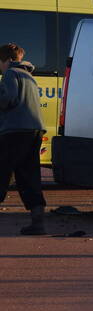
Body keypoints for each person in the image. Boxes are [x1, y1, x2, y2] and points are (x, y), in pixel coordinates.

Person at [0, 43, 47, 235]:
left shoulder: (11, 73)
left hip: (15, 130)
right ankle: (38, 222)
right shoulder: (29, 75)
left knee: (2, 170)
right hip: (34, 130)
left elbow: (7, 99)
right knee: (29, 175)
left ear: (6, 60)